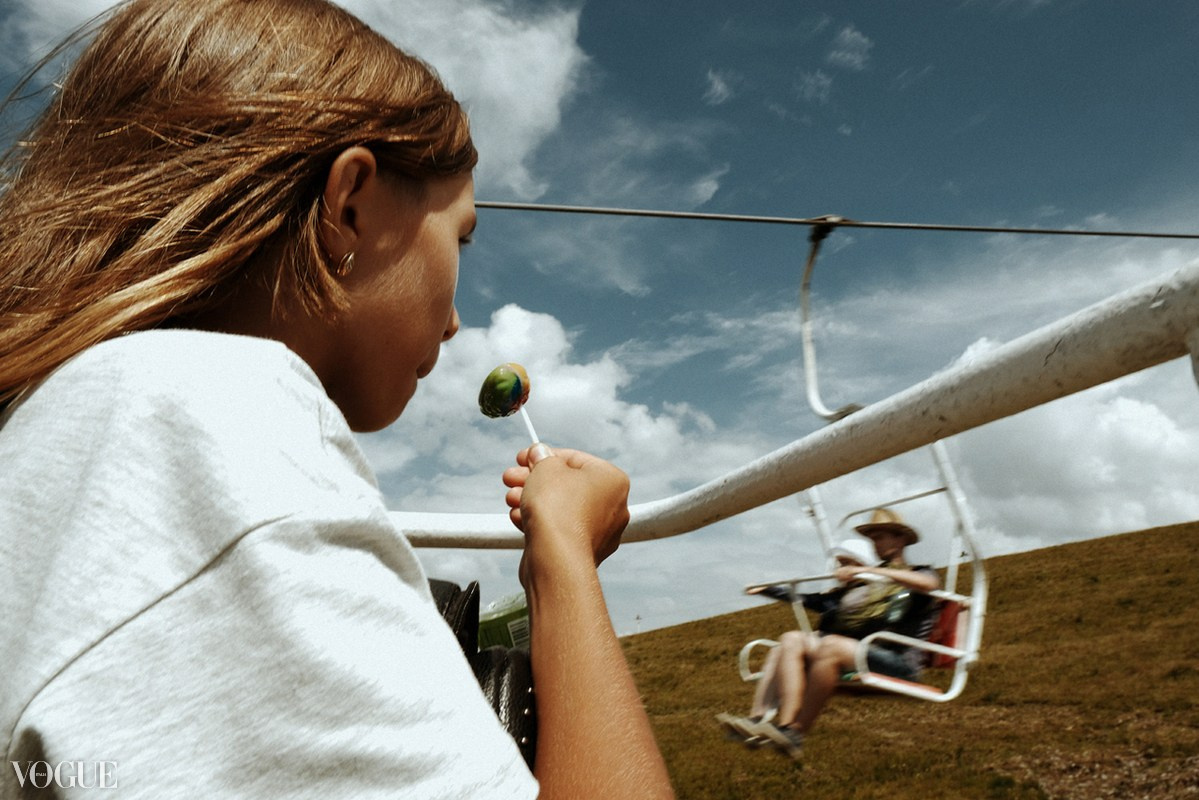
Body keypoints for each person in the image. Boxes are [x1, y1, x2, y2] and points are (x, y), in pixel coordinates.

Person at [0, 2, 674, 798]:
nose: (456, 322)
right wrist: (562, 558)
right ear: (348, 204)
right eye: (458, 238)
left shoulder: (60, 435)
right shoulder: (200, 419)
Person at [718, 508, 940, 761]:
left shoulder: (920, 571)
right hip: (868, 653)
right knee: (790, 639)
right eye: (872, 539)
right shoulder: (870, 584)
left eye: (880, 537)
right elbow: (821, 603)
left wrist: (871, 572)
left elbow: (930, 585)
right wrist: (768, 590)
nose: (875, 544)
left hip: (899, 662)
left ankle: (796, 732)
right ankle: (770, 722)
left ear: (899, 539)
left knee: (831, 645)